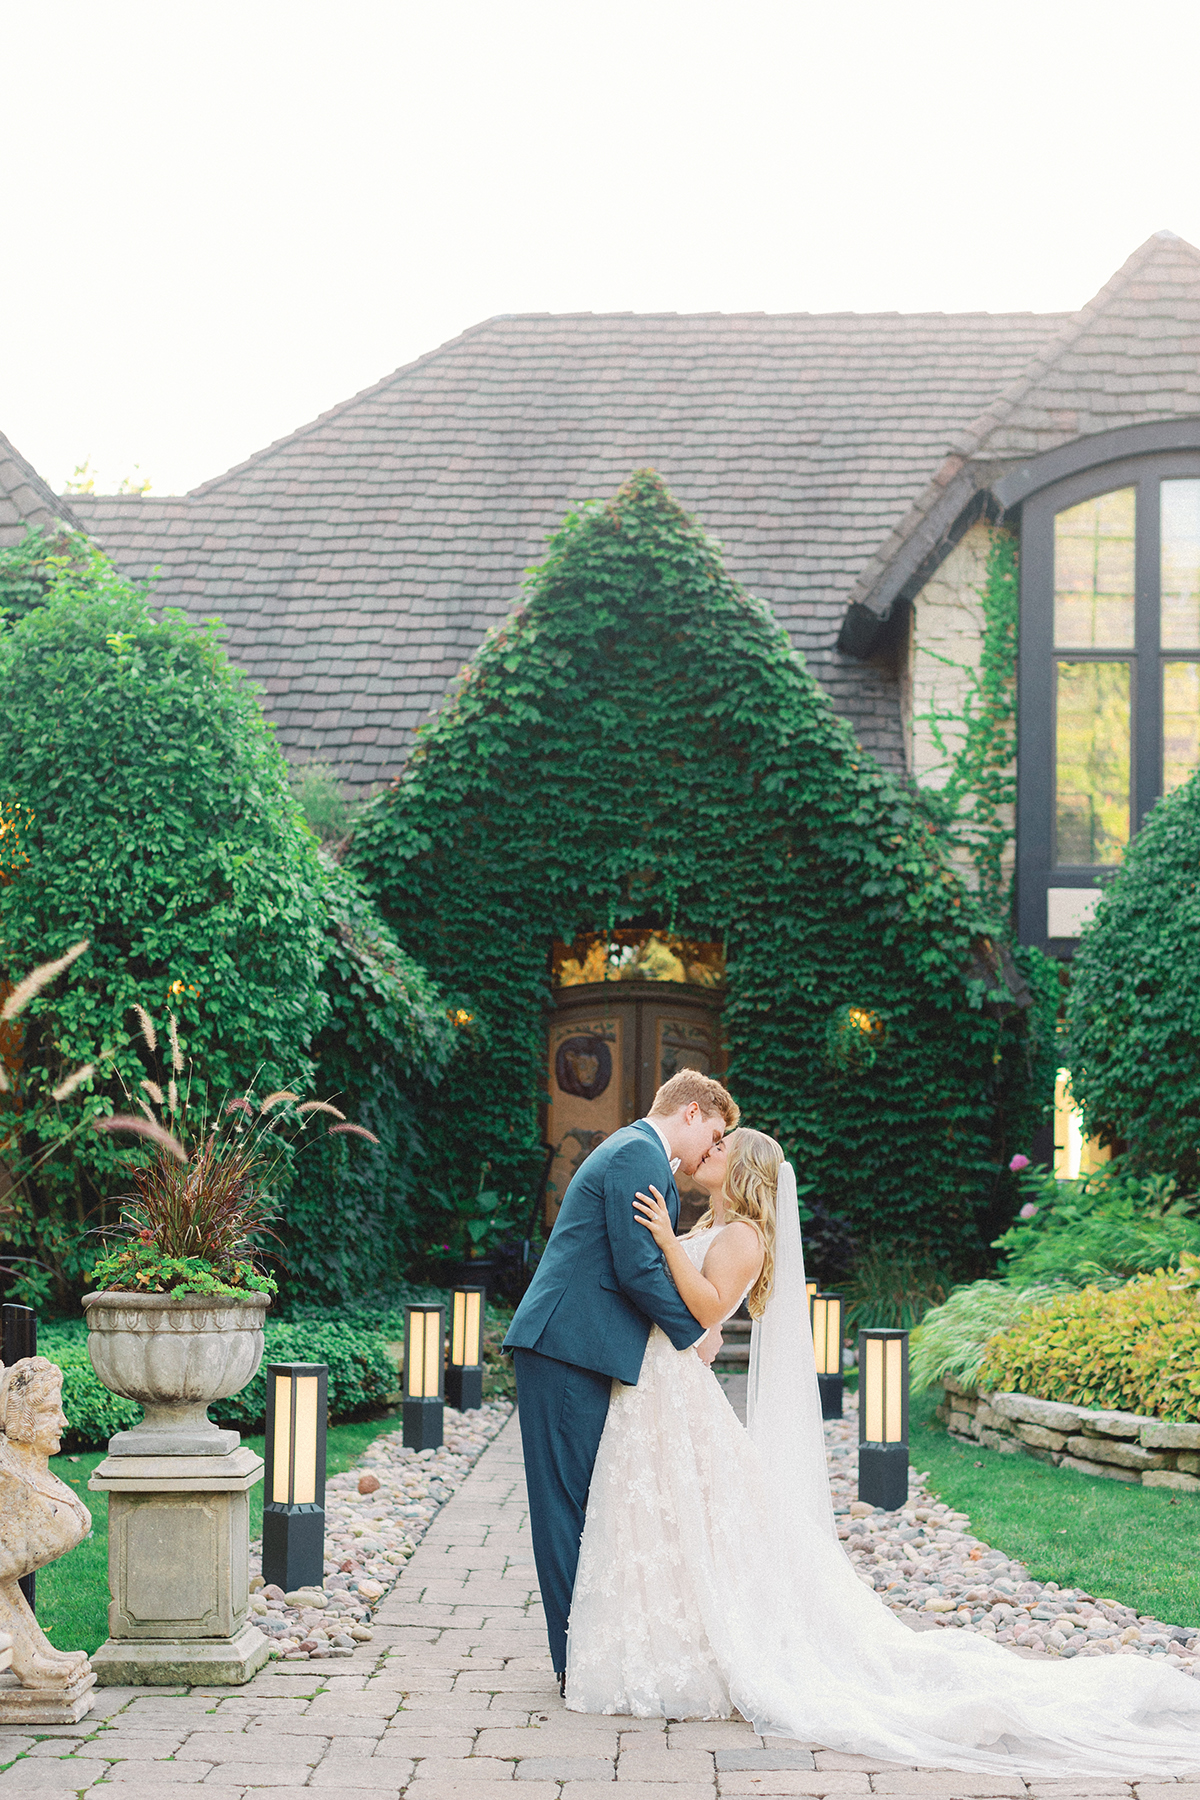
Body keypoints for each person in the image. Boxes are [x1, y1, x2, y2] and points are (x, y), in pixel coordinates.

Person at [565, 1128, 1200, 1779]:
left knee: (707, 1528)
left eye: (725, 1144)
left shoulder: (745, 1237)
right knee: (683, 1524)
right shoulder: (715, 1223)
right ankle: (670, 1638)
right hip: (671, 1389)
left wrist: (668, 1245)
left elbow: (703, 1312)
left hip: (680, 1394)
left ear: (746, 1169)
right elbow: (704, 1338)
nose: (712, 1148)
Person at [504, 1069, 739, 1692]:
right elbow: (636, 1269)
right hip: (564, 1346)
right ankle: (571, 1660)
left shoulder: (639, 1152)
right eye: (713, 1134)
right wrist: (696, 1335)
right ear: (690, 1112)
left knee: (579, 1501)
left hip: (578, 1347)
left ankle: (582, 1652)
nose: (710, 1152)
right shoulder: (639, 1154)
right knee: (564, 1504)